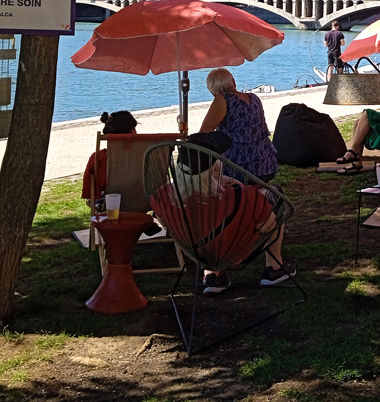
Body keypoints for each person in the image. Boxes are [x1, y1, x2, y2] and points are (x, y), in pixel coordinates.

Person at [165, 132, 295, 295]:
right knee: (274, 196)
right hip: (235, 254)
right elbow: (268, 227)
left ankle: (212, 274)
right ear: (216, 168)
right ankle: (274, 268)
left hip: (197, 253)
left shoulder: (164, 196)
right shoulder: (244, 196)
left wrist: (220, 181)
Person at [200, 68, 278, 182]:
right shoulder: (254, 98)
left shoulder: (222, 99)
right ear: (233, 82)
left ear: (212, 90)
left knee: (209, 178)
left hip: (238, 168)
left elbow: (204, 132)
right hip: (266, 163)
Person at [82, 110, 139, 207]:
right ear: (132, 131)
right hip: (140, 200)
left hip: (109, 204)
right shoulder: (144, 154)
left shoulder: (99, 158)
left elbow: (90, 187)